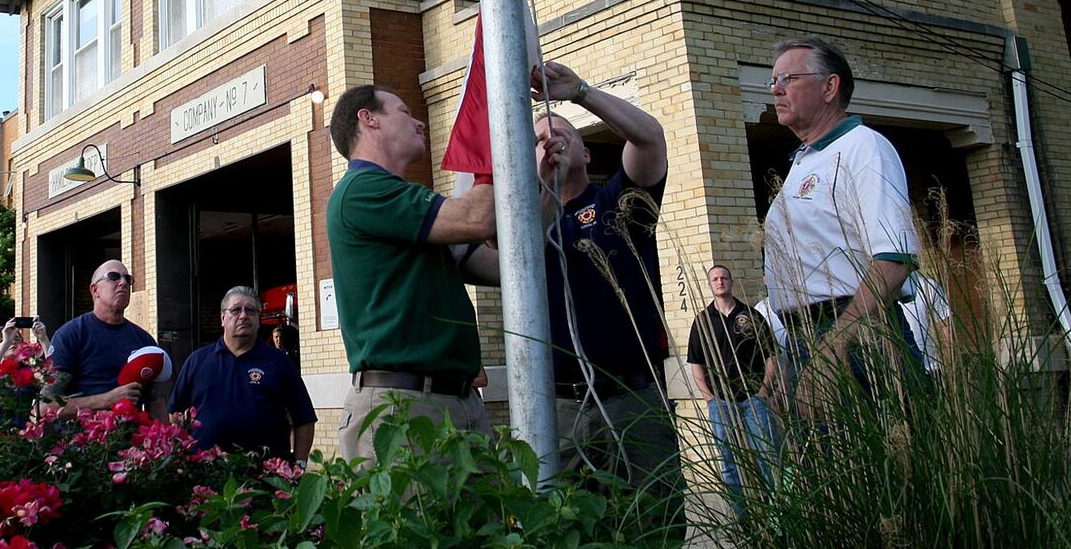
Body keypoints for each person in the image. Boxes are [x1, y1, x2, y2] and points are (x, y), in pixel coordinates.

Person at [325, 84, 557, 465]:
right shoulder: (362, 191)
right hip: (405, 408)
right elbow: (476, 217)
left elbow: (507, 266)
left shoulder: (404, 203)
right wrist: (496, 146)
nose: (419, 122)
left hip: (452, 402)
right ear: (368, 119)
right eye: (403, 110)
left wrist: (543, 186)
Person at [528, 61, 685, 532]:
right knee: (569, 532)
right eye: (538, 140)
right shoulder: (526, 224)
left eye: (561, 135)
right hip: (559, 406)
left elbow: (650, 140)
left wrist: (579, 92)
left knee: (651, 525)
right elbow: (500, 255)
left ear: (587, 153)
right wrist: (543, 186)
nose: (550, 143)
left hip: (631, 397)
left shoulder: (617, 203)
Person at [761, 37, 920, 420]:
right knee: (829, 472)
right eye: (773, 80)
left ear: (830, 87)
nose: (775, 88)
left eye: (788, 78)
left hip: (858, 338)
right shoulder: (804, 162)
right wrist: (786, 355)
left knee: (879, 472)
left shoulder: (863, 147)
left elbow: (893, 260)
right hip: (808, 339)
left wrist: (834, 346)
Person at [169, 287, 316, 461]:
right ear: (223, 318)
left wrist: (299, 464)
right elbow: (174, 414)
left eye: (251, 310)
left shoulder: (278, 362)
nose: (244, 315)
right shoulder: (198, 361)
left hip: (266, 477)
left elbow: (304, 418)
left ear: (258, 320)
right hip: (207, 476)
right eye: (236, 310)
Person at [686, 265, 781, 516]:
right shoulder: (702, 322)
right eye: (715, 279)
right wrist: (710, 399)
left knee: (767, 455)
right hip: (722, 402)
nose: (720, 282)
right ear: (710, 284)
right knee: (729, 462)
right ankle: (742, 518)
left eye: (724, 278)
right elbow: (696, 365)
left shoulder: (751, 316)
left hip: (753, 399)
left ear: (731, 282)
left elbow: (772, 355)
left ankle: (777, 514)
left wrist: (763, 391)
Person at [47, 261, 167, 420]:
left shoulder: (143, 340)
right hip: (82, 442)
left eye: (127, 279)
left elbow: (156, 402)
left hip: (131, 441)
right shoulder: (71, 335)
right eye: (113, 277)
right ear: (94, 289)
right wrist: (106, 400)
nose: (123, 283)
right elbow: (46, 406)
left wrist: (163, 440)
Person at [899, 273, 954, 375]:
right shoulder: (872, 292)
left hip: (931, 370)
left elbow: (946, 327)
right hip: (895, 373)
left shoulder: (927, 285)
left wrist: (950, 370)